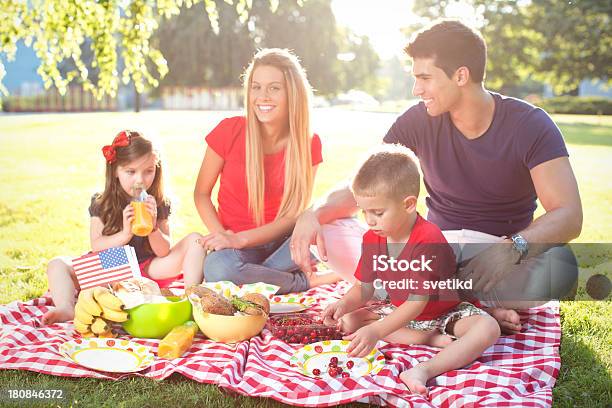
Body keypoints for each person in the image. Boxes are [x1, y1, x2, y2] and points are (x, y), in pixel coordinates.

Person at [291, 20, 582, 333]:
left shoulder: (530, 124)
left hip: (495, 252)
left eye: (425, 78)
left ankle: (423, 298)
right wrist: (315, 213)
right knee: (331, 229)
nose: (417, 90)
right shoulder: (417, 120)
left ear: (460, 75)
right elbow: (366, 186)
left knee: (562, 268)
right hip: (429, 251)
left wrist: (511, 249)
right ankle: (468, 305)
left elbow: (569, 214)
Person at [323, 146, 499, 396]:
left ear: (408, 204)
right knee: (349, 321)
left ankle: (423, 370)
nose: (370, 221)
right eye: (364, 212)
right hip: (400, 309)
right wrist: (343, 304)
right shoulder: (373, 237)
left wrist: (378, 330)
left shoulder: (428, 240)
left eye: (378, 212)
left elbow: (417, 304)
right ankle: (430, 339)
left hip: (444, 310)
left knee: (488, 328)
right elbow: (364, 287)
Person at [194, 48, 338, 294]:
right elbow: (201, 194)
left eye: (274, 88)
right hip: (236, 247)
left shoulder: (308, 143)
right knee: (218, 267)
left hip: (284, 246)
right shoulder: (229, 131)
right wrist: (224, 238)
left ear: (292, 93)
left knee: (333, 231)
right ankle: (299, 281)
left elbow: (293, 214)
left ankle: (256, 276)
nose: (262, 96)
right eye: (256, 87)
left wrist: (240, 241)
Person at [42, 130, 206, 325]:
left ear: (157, 169)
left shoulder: (158, 202)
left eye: (148, 171)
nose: (140, 180)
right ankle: (66, 308)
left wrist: (153, 228)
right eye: (131, 171)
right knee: (57, 264)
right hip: (113, 264)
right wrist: (125, 234)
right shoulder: (103, 202)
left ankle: (191, 300)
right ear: (116, 171)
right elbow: (97, 246)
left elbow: (163, 251)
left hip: (148, 266)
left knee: (196, 239)